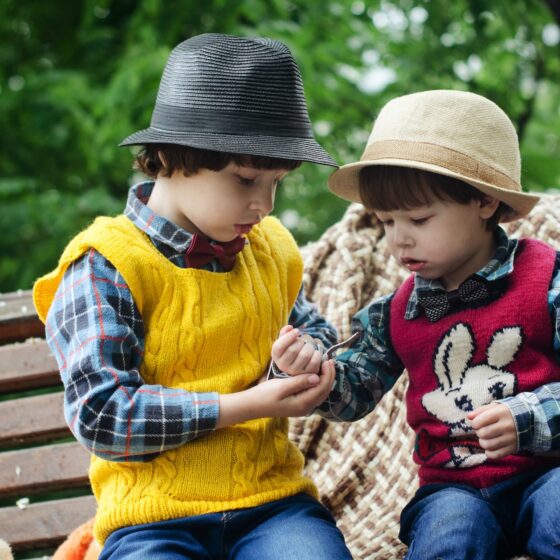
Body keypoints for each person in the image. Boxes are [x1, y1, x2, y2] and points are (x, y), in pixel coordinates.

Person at [33, 33, 353, 560]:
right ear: (166, 156)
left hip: (273, 507)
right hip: (152, 521)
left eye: (277, 182)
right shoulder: (106, 264)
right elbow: (102, 415)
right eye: (246, 178)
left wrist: (301, 360)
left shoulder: (268, 249)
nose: (264, 205)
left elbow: (313, 329)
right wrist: (245, 405)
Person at [273, 90, 560, 559]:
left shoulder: (547, 277)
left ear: (485, 202)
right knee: (448, 536)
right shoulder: (396, 312)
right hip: (455, 487)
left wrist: (525, 418)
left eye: (419, 218)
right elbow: (353, 392)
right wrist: (312, 372)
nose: (398, 239)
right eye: (385, 221)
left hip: (548, 471)